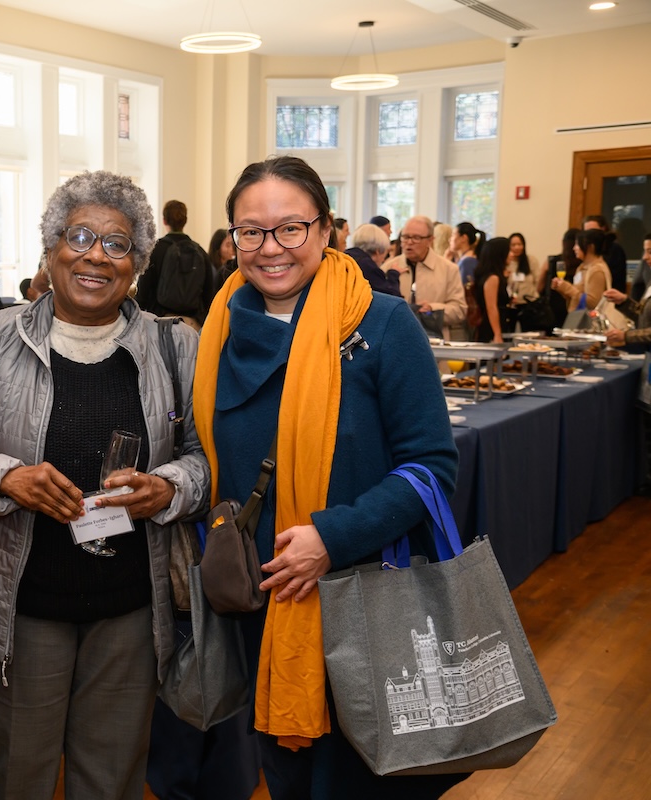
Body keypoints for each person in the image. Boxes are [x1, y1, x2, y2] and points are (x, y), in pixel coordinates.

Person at [194, 155, 464, 798]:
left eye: (291, 227)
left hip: (362, 601)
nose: (270, 248)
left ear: (325, 232)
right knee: (287, 776)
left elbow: (432, 466)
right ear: (233, 240)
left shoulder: (381, 324)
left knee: (360, 777)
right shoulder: (219, 329)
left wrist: (332, 537)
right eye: (251, 231)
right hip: (260, 603)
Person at [0, 171, 209, 800]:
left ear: (137, 264)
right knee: (18, 777)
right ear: (50, 248)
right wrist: (7, 477)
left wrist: (167, 488)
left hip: (132, 611)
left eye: (116, 245)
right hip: (25, 607)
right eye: (79, 236)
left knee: (111, 780)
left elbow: (202, 461)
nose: (94, 256)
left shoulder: (173, 348)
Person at [383, 215, 467, 339]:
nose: (409, 242)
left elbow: (459, 310)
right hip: (394, 340)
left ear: (430, 240)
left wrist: (432, 309)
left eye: (416, 238)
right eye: (405, 237)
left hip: (434, 344)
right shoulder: (388, 268)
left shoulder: (448, 269)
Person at [136, 200, 214, 327]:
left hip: (159, 324)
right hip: (192, 326)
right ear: (185, 221)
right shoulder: (200, 252)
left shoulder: (155, 250)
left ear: (164, 221)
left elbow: (143, 292)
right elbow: (209, 295)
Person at [551, 228, 611, 311]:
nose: (574, 248)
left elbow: (594, 304)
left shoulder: (597, 270)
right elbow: (577, 296)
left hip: (589, 321)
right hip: (577, 317)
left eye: (577, 245)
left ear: (590, 247)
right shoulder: (581, 267)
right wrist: (562, 289)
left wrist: (568, 288)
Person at [473, 238, 511, 343]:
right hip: (490, 329)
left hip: (499, 325)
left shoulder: (497, 275)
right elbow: (491, 307)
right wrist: (497, 334)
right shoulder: (492, 278)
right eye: (509, 251)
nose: (511, 255)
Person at [346, 223, 400, 296]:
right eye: (385, 253)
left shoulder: (345, 256)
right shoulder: (368, 267)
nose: (383, 260)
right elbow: (392, 296)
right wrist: (393, 274)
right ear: (378, 251)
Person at [583, 215, 628, 293]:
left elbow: (615, 278)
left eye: (593, 231)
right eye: (586, 232)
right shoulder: (585, 250)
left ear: (603, 229)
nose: (589, 235)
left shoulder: (614, 249)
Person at [506, 232, 540, 306]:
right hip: (512, 304)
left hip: (530, 302)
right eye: (513, 245)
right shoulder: (507, 263)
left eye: (519, 244)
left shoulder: (531, 260)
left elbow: (538, 281)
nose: (517, 247)